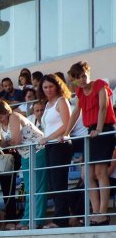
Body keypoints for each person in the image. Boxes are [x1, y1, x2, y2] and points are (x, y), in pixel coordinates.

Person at [66, 61, 116, 226]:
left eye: (83, 75)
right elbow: (75, 113)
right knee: (87, 175)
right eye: (77, 77)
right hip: (91, 132)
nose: (82, 79)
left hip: (103, 130)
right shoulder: (80, 92)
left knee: (101, 173)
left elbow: (103, 107)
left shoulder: (100, 84)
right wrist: (66, 133)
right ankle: (95, 212)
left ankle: (102, 213)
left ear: (88, 72)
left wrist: (99, 129)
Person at [0, 101, 46, 230]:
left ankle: (37, 219)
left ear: (7, 112)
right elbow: (9, 145)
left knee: (37, 187)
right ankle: (27, 218)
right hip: (26, 155)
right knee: (28, 189)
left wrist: (7, 144)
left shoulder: (14, 117)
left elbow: (16, 141)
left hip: (38, 150)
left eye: (1, 117)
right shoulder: (3, 124)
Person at [39, 74, 72, 228]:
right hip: (50, 145)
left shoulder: (61, 101)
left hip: (60, 145)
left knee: (59, 183)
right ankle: (61, 217)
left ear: (57, 86)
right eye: (45, 87)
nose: (48, 90)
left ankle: (61, 220)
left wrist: (49, 138)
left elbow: (67, 124)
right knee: (53, 184)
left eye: (51, 86)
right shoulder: (47, 104)